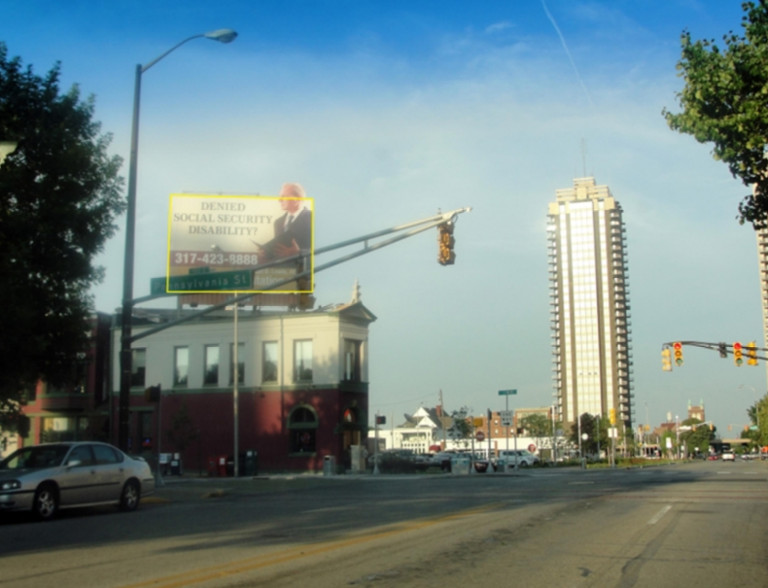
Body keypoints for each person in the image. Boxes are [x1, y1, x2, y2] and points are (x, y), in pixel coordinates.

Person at [255, 182, 312, 262]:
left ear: (298, 198)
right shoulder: (278, 222)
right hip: (283, 271)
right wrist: (267, 253)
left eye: (283, 196)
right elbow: (278, 252)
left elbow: (321, 249)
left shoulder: (312, 218)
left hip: (304, 271)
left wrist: (299, 253)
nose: (279, 200)